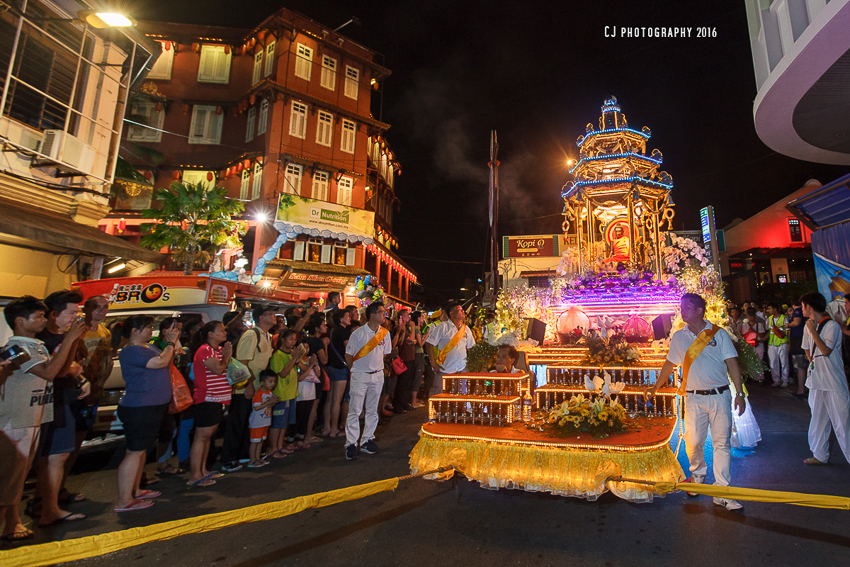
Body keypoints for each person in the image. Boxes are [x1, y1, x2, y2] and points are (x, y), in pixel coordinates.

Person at [646, 293, 746, 511]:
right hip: (692, 397)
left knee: (722, 444)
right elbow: (669, 364)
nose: (682, 310)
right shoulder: (679, 337)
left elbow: (732, 363)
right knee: (693, 441)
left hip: (719, 396)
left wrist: (739, 393)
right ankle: (698, 475)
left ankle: (722, 491)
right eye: (681, 307)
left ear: (700, 310)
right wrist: (655, 387)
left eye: (687, 307)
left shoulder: (718, 334)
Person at [0, 296, 84, 540]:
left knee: (18, 476)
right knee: (9, 477)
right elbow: (48, 373)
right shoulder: (16, 349)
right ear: (20, 321)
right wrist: (69, 339)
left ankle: (12, 525)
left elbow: (59, 370)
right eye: (37, 316)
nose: (43, 320)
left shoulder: (37, 345)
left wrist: (73, 341)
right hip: (17, 420)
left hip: (35, 417)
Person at [33, 290, 91, 527]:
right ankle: (47, 508)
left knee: (59, 455)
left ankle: (49, 505)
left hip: (64, 399)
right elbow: (56, 370)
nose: (74, 318)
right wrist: (72, 345)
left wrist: (81, 378)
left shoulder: (63, 336)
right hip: (50, 403)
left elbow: (70, 368)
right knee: (53, 457)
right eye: (71, 312)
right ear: (53, 314)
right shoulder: (42, 341)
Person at [114, 316, 180, 512]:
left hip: (152, 406)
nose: (151, 330)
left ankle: (135, 489)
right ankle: (124, 499)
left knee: (141, 451)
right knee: (134, 451)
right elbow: (160, 362)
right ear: (134, 331)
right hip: (140, 407)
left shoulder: (147, 347)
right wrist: (170, 342)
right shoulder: (131, 351)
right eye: (147, 327)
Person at [221, 305, 276, 473]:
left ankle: (245, 453)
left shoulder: (267, 336)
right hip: (244, 388)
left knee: (249, 423)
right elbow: (242, 361)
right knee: (237, 422)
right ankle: (228, 458)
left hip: (258, 387)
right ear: (261, 318)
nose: (274, 316)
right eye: (270, 314)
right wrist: (249, 385)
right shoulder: (252, 334)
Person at [799, 292, 850, 465]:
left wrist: (813, 331)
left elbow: (826, 350)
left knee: (842, 422)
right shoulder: (808, 326)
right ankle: (819, 454)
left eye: (803, 306)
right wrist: (811, 356)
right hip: (816, 380)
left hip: (833, 381)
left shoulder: (832, 326)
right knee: (818, 419)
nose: (802, 309)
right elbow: (807, 348)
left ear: (809, 307)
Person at [344, 302, 392, 460]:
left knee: (372, 410)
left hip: (377, 375)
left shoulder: (385, 333)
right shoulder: (358, 334)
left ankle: (367, 440)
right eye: (381, 312)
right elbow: (349, 354)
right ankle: (351, 443)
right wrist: (356, 370)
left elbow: (384, 354)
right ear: (372, 315)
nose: (384, 315)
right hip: (360, 375)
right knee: (355, 410)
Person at [187, 321, 232, 487]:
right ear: (210, 334)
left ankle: (203, 470)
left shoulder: (216, 350)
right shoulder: (205, 350)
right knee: (202, 437)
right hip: (207, 398)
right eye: (220, 330)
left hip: (218, 398)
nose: (224, 332)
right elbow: (218, 369)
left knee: (208, 437)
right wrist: (227, 356)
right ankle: (195, 475)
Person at [426, 301, 476, 395]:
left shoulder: (466, 329)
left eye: (462, 310)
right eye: (459, 310)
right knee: (439, 394)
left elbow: (472, 348)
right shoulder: (442, 327)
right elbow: (429, 343)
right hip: (444, 368)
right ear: (451, 313)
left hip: (462, 368)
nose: (462, 312)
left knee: (462, 394)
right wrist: (433, 363)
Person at [268, 329, 303, 457]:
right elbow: (282, 374)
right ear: (282, 340)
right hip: (281, 394)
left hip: (291, 393)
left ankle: (279, 446)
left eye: (294, 340)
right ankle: (273, 448)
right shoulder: (278, 355)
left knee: (284, 423)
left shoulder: (291, 354)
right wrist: (293, 359)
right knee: (278, 423)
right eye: (290, 339)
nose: (293, 342)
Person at [324, 309, 351, 437]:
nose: (349, 318)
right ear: (341, 319)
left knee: (330, 399)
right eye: (347, 316)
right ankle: (334, 429)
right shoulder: (344, 331)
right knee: (337, 400)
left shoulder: (333, 330)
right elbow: (348, 350)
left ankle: (327, 427)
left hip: (331, 366)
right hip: (340, 367)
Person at [303, 317, 328, 443]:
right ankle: (308, 436)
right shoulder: (318, 342)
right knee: (313, 405)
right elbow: (324, 360)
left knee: (309, 405)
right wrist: (325, 346)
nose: (326, 327)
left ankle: (305, 434)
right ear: (317, 328)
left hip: (306, 375)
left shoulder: (306, 340)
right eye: (323, 325)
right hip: (315, 374)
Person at [248, 370, 279, 468]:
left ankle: (257, 458)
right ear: (262, 382)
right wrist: (270, 401)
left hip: (265, 421)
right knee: (255, 441)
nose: (273, 384)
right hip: (257, 422)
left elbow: (270, 405)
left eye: (274, 381)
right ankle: (252, 460)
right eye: (270, 381)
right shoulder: (259, 393)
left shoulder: (269, 392)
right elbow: (256, 407)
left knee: (260, 440)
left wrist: (273, 401)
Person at [765, 303, 790, 387]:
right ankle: (776, 380)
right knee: (773, 362)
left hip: (782, 342)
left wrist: (789, 342)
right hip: (772, 343)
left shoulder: (784, 318)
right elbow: (769, 331)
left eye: (769, 308)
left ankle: (785, 380)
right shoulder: (769, 318)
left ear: (775, 309)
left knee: (784, 362)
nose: (768, 310)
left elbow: (788, 331)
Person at [788, 300, 808, 398]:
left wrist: (788, 325)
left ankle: (801, 389)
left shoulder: (798, 311)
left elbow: (796, 322)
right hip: (799, 341)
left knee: (800, 366)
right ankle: (804, 388)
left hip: (798, 341)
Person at [743, 308, 767, 383]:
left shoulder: (759, 325)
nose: (751, 318)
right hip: (749, 345)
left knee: (759, 361)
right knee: (751, 362)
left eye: (752, 316)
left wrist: (754, 331)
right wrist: (749, 332)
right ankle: (754, 377)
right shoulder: (745, 325)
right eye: (749, 317)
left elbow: (762, 334)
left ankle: (761, 378)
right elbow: (743, 336)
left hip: (758, 344)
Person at [409, 312, 428, 408]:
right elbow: (420, 344)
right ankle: (413, 401)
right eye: (422, 316)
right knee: (417, 376)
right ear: (418, 318)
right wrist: (427, 336)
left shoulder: (416, 328)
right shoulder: (416, 328)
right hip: (418, 354)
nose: (423, 318)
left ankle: (414, 399)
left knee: (416, 376)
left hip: (415, 354)